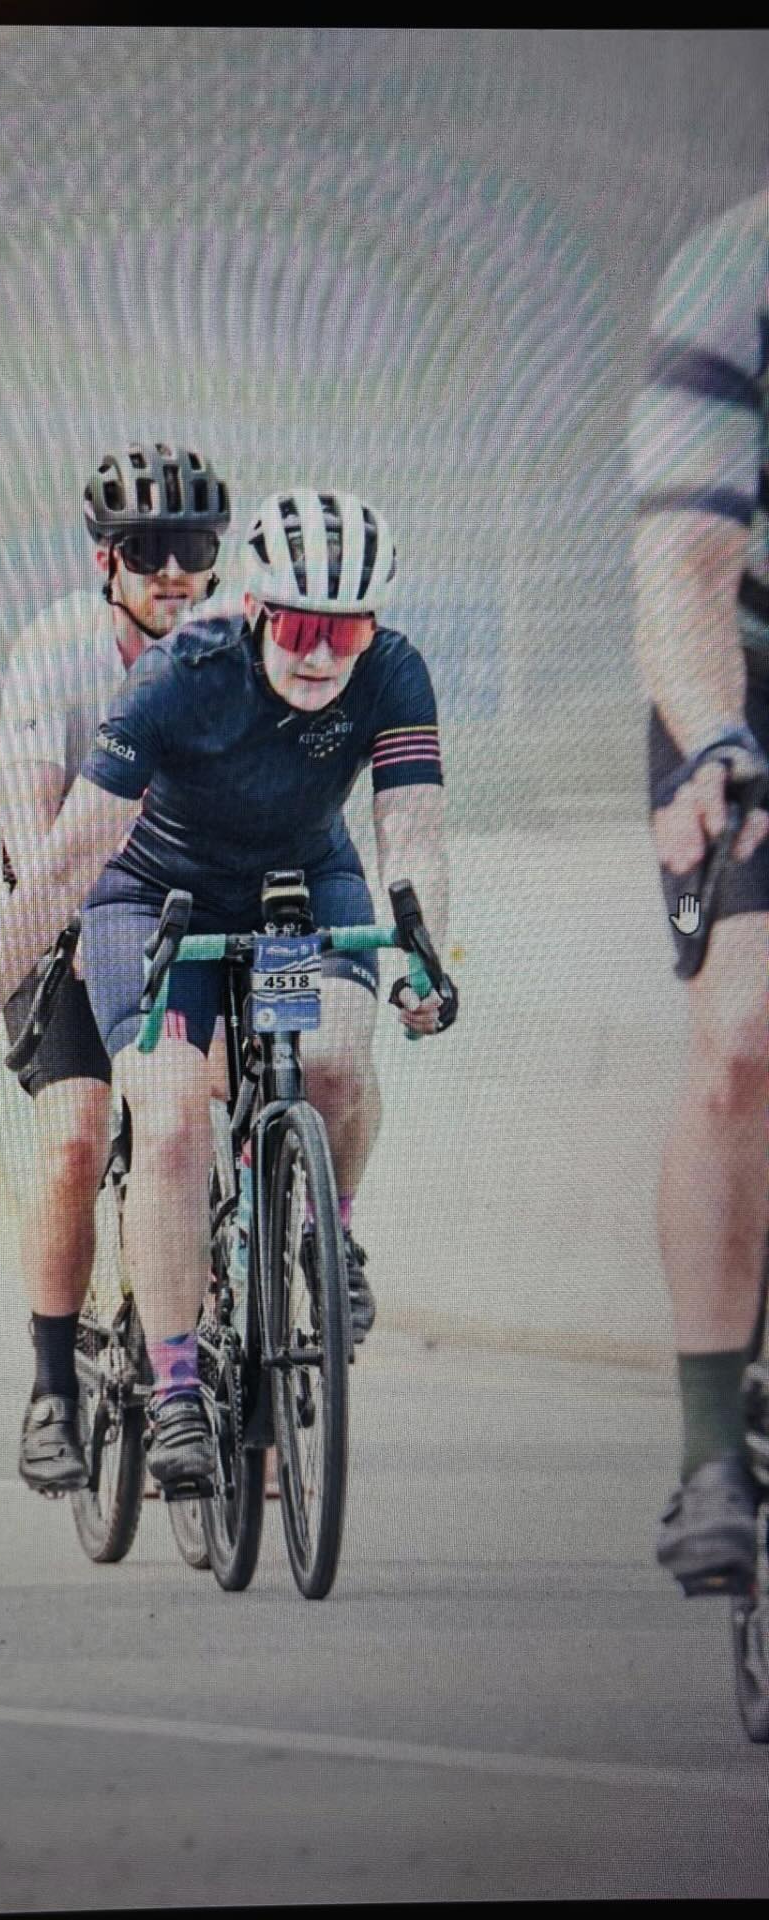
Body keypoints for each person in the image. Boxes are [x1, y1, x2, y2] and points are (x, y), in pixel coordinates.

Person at [0, 488, 457, 1493]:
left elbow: (411, 831)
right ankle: (172, 1393)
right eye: (297, 625)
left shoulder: (395, 674)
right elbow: (70, 857)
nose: (320, 656)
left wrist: (426, 953)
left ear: (374, 628)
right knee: (166, 1124)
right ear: (254, 607)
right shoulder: (175, 677)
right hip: (155, 905)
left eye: (346, 633)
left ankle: (326, 1242)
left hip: (297, 895)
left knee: (335, 1061)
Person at [0, 444, 231, 1493]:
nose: (173, 573)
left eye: (193, 549)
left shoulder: (237, 645)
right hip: (70, 907)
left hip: (193, 911)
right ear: (108, 563)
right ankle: (53, 1389)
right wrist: (63, 932)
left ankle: (237, 1363)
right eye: (149, 552)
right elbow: (32, 820)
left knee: (209, 1117)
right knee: (76, 1147)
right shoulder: (53, 653)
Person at [629, 190, 769, 1596]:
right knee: (745, 1038)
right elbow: (683, 562)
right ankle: (712, 1442)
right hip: (745, 670)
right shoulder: (739, 266)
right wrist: (717, 737)